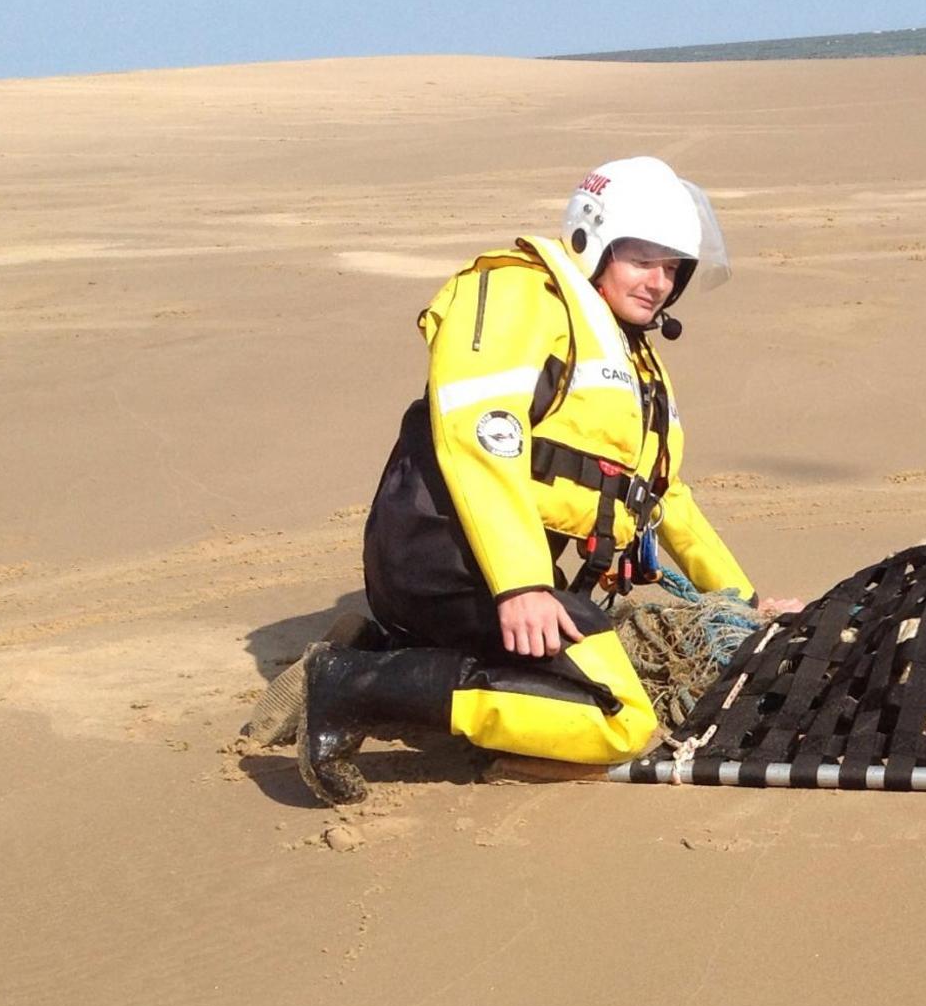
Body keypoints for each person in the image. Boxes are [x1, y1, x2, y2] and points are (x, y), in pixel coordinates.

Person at [298, 156, 797, 806]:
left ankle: (399, 654)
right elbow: (483, 442)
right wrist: (523, 585)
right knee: (619, 719)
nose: (659, 282)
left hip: (503, 569)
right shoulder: (515, 296)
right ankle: (349, 686)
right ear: (594, 240)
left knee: (595, 681)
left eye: (673, 268)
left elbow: (665, 497)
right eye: (644, 259)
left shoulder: (631, 360)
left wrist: (740, 600)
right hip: (441, 550)